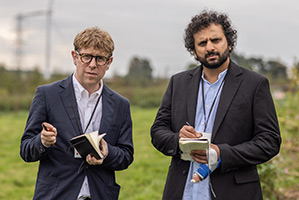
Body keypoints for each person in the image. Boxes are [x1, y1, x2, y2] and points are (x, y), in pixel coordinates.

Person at [150, 10, 281, 200]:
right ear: (194, 52)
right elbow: (157, 131)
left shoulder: (255, 84)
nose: (209, 47)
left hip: (235, 193)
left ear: (229, 43)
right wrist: (178, 139)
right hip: (182, 193)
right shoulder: (178, 83)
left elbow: (270, 141)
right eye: (202, 43)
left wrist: (222, 154)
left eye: (216, 40)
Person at [20, 27, 134, 200]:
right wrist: (42, 141)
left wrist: (106, 153)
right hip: (56, 195)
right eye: (86, 56)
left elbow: (126, 155)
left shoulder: (121, 104)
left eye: (100, 59)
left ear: (109, 62)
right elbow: (26, 149)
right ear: (75, 57)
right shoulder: (47, 95)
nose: (93, 64)